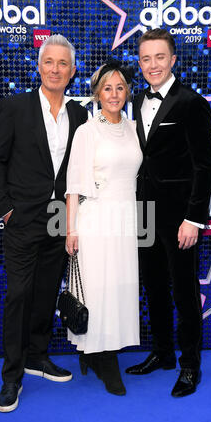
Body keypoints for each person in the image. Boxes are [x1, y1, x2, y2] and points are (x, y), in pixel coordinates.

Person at [0, 34, 90, 412]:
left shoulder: (80, 113)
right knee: (18, 297)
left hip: (59, 220)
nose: (56, 69)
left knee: (46, 293)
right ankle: (11, 376)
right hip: (22, 220)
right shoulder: (15, 106)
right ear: (39, 65)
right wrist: (5, 208)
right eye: (50, 62)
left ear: (73, 70)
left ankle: (37, 356)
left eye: (64, 63)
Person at [125, 29, 211, 397]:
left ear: (173, 59)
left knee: (184, 291)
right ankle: (162, 353)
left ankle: (190, 365)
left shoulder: (191, 103)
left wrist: (194, 218)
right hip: (144, 212)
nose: (152, 65)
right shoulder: (135, 101)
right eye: (145, 59)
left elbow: (204, 167)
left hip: (180, 217)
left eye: (159, 57)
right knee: (155, 287)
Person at [65, 61, 142, 395]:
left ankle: (95, 352)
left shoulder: (134, 127)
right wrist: (70, 230)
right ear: (97, 93)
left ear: (127, 92)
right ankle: (102, 358)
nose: (114, 94)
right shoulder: (87, 130)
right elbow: (73, 186)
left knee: (119, 288)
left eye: (120, 87)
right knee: (97, 289)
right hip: (95, 219)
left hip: (126, 218)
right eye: (107, 88)